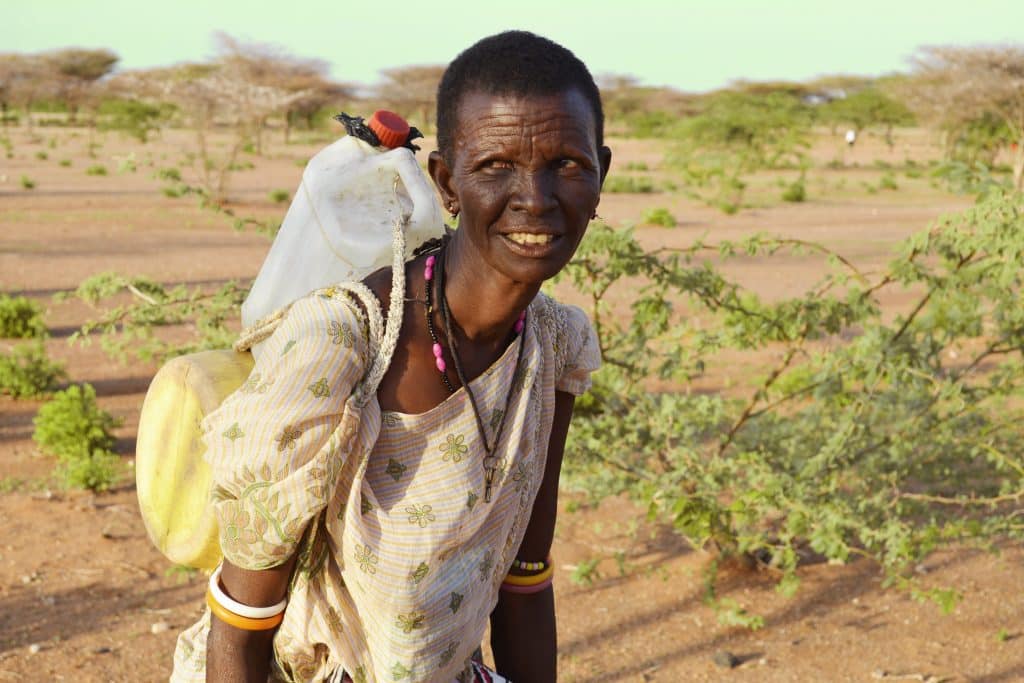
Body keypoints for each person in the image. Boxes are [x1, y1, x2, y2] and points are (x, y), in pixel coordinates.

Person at [172, 30, 611, 683]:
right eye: (495, 166)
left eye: (567, 164)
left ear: (603, 174)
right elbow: (242, 617)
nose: (536, 198)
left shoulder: (555, 345)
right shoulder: (339, 348)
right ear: (446, 184)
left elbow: (525, 574)